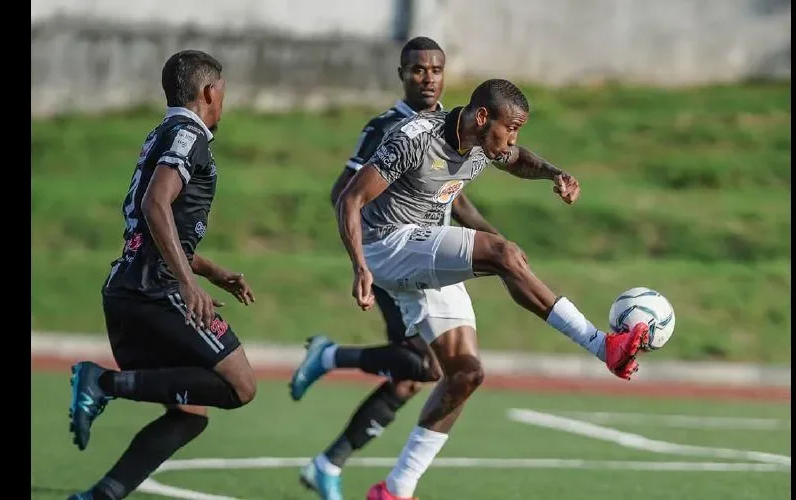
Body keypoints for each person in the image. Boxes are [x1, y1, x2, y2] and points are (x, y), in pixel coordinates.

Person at [332, 78, 650, 500]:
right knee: (503, 254)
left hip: (423, 250)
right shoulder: (415, 138)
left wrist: (555, 174)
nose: (513, 139)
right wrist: (359, 267)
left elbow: (518, 160)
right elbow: (349, 199)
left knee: (465, 375)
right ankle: (602, 346)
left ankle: (394, 490)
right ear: (482, 117)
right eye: (510, 128)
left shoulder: (485, 143)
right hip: (386, 245)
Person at [290, 37, 500, 500]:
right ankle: (328, 358)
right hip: (391, 258)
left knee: (411, 378)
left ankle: (329, 462)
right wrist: (365, 258)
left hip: (428, 261)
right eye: (418, 70)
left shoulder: (453, 127)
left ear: (446, 74)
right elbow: (342, 192)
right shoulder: (386, 127)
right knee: (428, 366)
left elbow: (454, 194)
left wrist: (495, 242)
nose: (428, 78)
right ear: (401, 73)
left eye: (436, 69)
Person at [66, 49, 259, 500]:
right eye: (223, 93)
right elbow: (156, 204)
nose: (223, 102)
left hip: (128, 290)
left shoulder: (160, 134)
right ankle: (104, 382)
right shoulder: (190, 136)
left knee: (190, 414)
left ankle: (100, 496)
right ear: (210, 92)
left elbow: (153, 228)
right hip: (158, 292)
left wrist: (210, 271)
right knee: (241, 387)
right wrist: (189, 284)